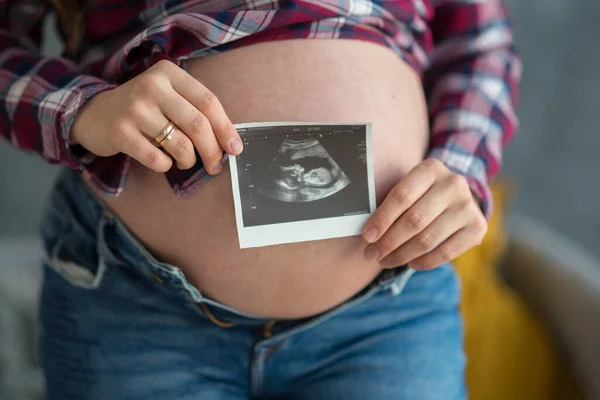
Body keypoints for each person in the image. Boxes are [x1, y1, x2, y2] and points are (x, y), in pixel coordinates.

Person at [0, 0, 521, 399]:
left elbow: (480, 43)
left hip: (387, 312)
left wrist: (463, 166)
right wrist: (81, 109)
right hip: (137, 304)